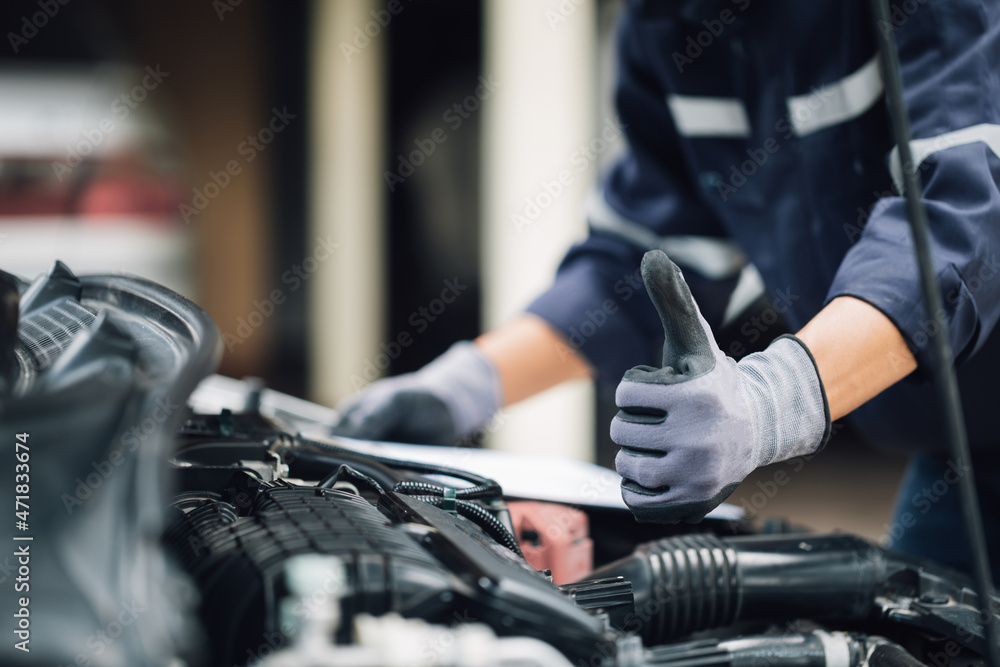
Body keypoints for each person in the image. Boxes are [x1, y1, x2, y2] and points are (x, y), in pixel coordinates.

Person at [332, 0, 1000, 576]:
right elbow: (633, 263)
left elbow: (964, 211)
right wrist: (465, 385)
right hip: (960, 455)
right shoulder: (666, 27)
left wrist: (778, 398)